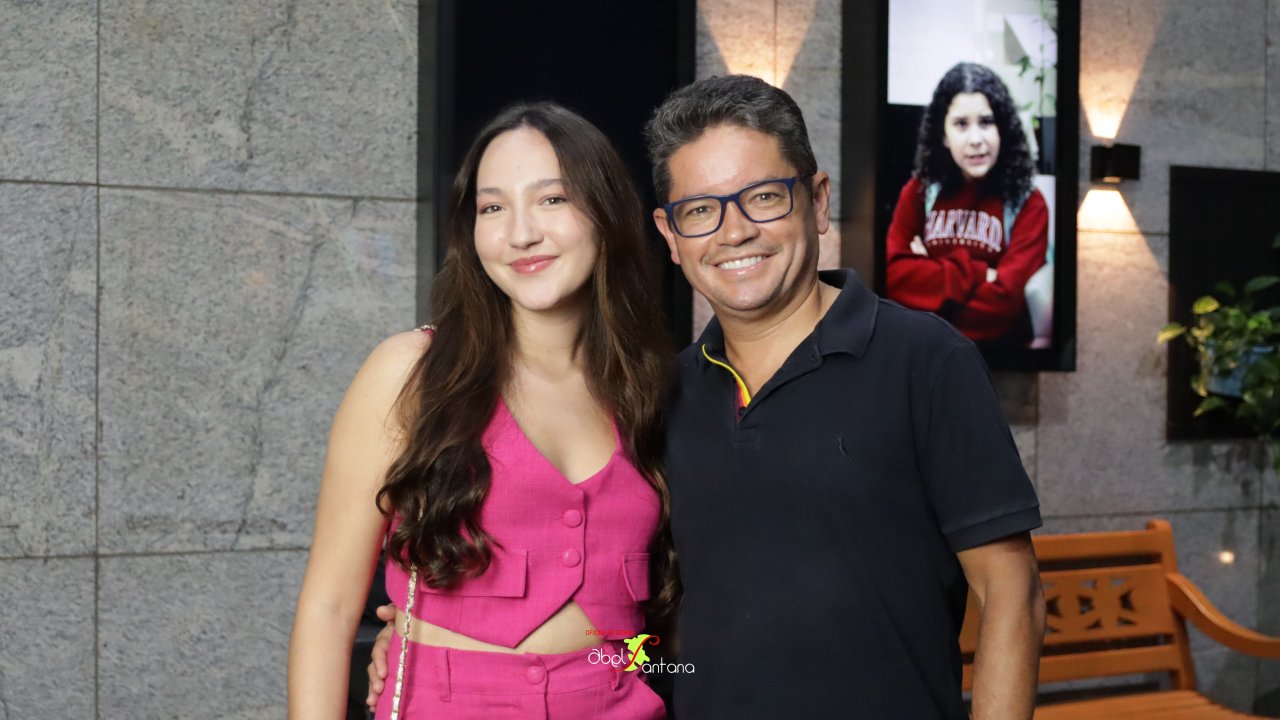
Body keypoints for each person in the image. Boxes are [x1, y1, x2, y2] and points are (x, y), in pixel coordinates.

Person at [370, 75, 1045, 718]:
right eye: (700, 211)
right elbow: (661, 637)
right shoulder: (658, 396)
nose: (734, 232)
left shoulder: (924, 361)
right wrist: (445, 652)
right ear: (670, 236)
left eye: (765, 198)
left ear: (817, 201)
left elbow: (1012, 595)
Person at [288, 101, 674, 719]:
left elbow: (664, 628)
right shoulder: (412, 373)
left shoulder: (651, 387)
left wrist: (635, 667)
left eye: (552, 199)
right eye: (493, 208)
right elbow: (329, 607)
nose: (521, 233)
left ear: (606, 212)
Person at [885, 62, 1050, 349]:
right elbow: (893, 279)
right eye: (961, 124)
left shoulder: (1029, 202)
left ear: (1002, 129)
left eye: (986, 122)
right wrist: (979, 273)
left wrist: (929, 274)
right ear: (944, 134)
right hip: (922, 356)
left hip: (997, 359)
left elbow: (1004, 305)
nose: (976, 140)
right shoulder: (919, 191)